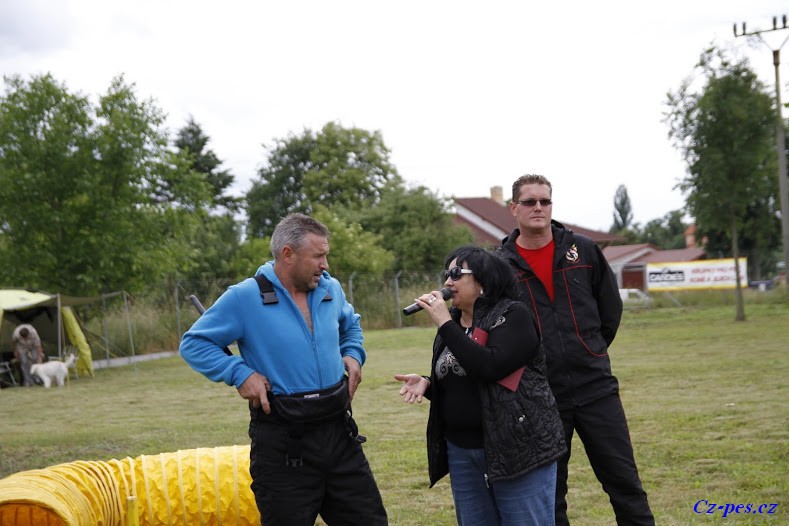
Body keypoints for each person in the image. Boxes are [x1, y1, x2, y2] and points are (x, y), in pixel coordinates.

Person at [180, 213, 387, 526]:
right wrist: (240, 373)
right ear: (288, 254)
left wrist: (353, 355)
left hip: (339, 433)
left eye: (326, 255)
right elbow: (195, 343)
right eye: (318, 256)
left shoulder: (330, 289)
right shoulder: (244, 297)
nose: (325, 265)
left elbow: (351, 326)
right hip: (282, 442)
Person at [497, 174, 654, 525]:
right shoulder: (501, 265)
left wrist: (589, 349)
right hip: (542, 396)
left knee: (624, 482)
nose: (539, 207)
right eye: (529, 201)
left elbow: (610, 310)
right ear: (514, 208)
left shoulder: (582, 250)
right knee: (550, 494)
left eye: (545, 201)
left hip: (596, 388)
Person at [394, 245, 566, 525]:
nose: (448, 282)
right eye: (447, 274)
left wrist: (444, 323)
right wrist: (428, 384)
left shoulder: (513, 315)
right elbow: (464, 378)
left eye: (456, 273)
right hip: (462, 452)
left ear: (483, 280)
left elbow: (489, 367)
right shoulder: (454, 324)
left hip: (516, 449)